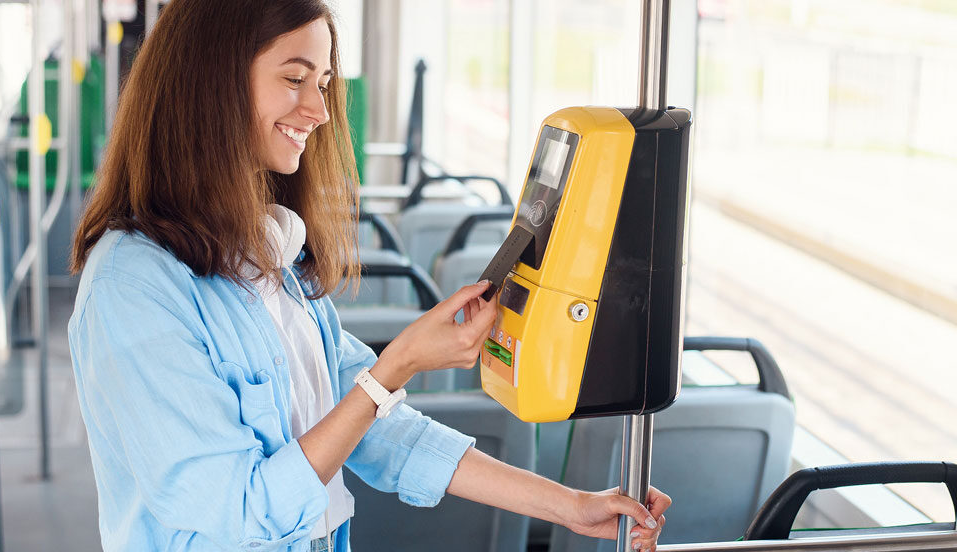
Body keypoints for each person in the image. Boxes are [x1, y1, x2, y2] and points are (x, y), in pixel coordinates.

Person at [67, 1, 671, 551]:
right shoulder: (134, 287)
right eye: (295, 79)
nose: (320, 109)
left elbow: (384, 434)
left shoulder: (266, 252)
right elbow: (241, 511)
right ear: (210, 86)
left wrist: (569, 506)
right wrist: (396, 365)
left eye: (324, 83)